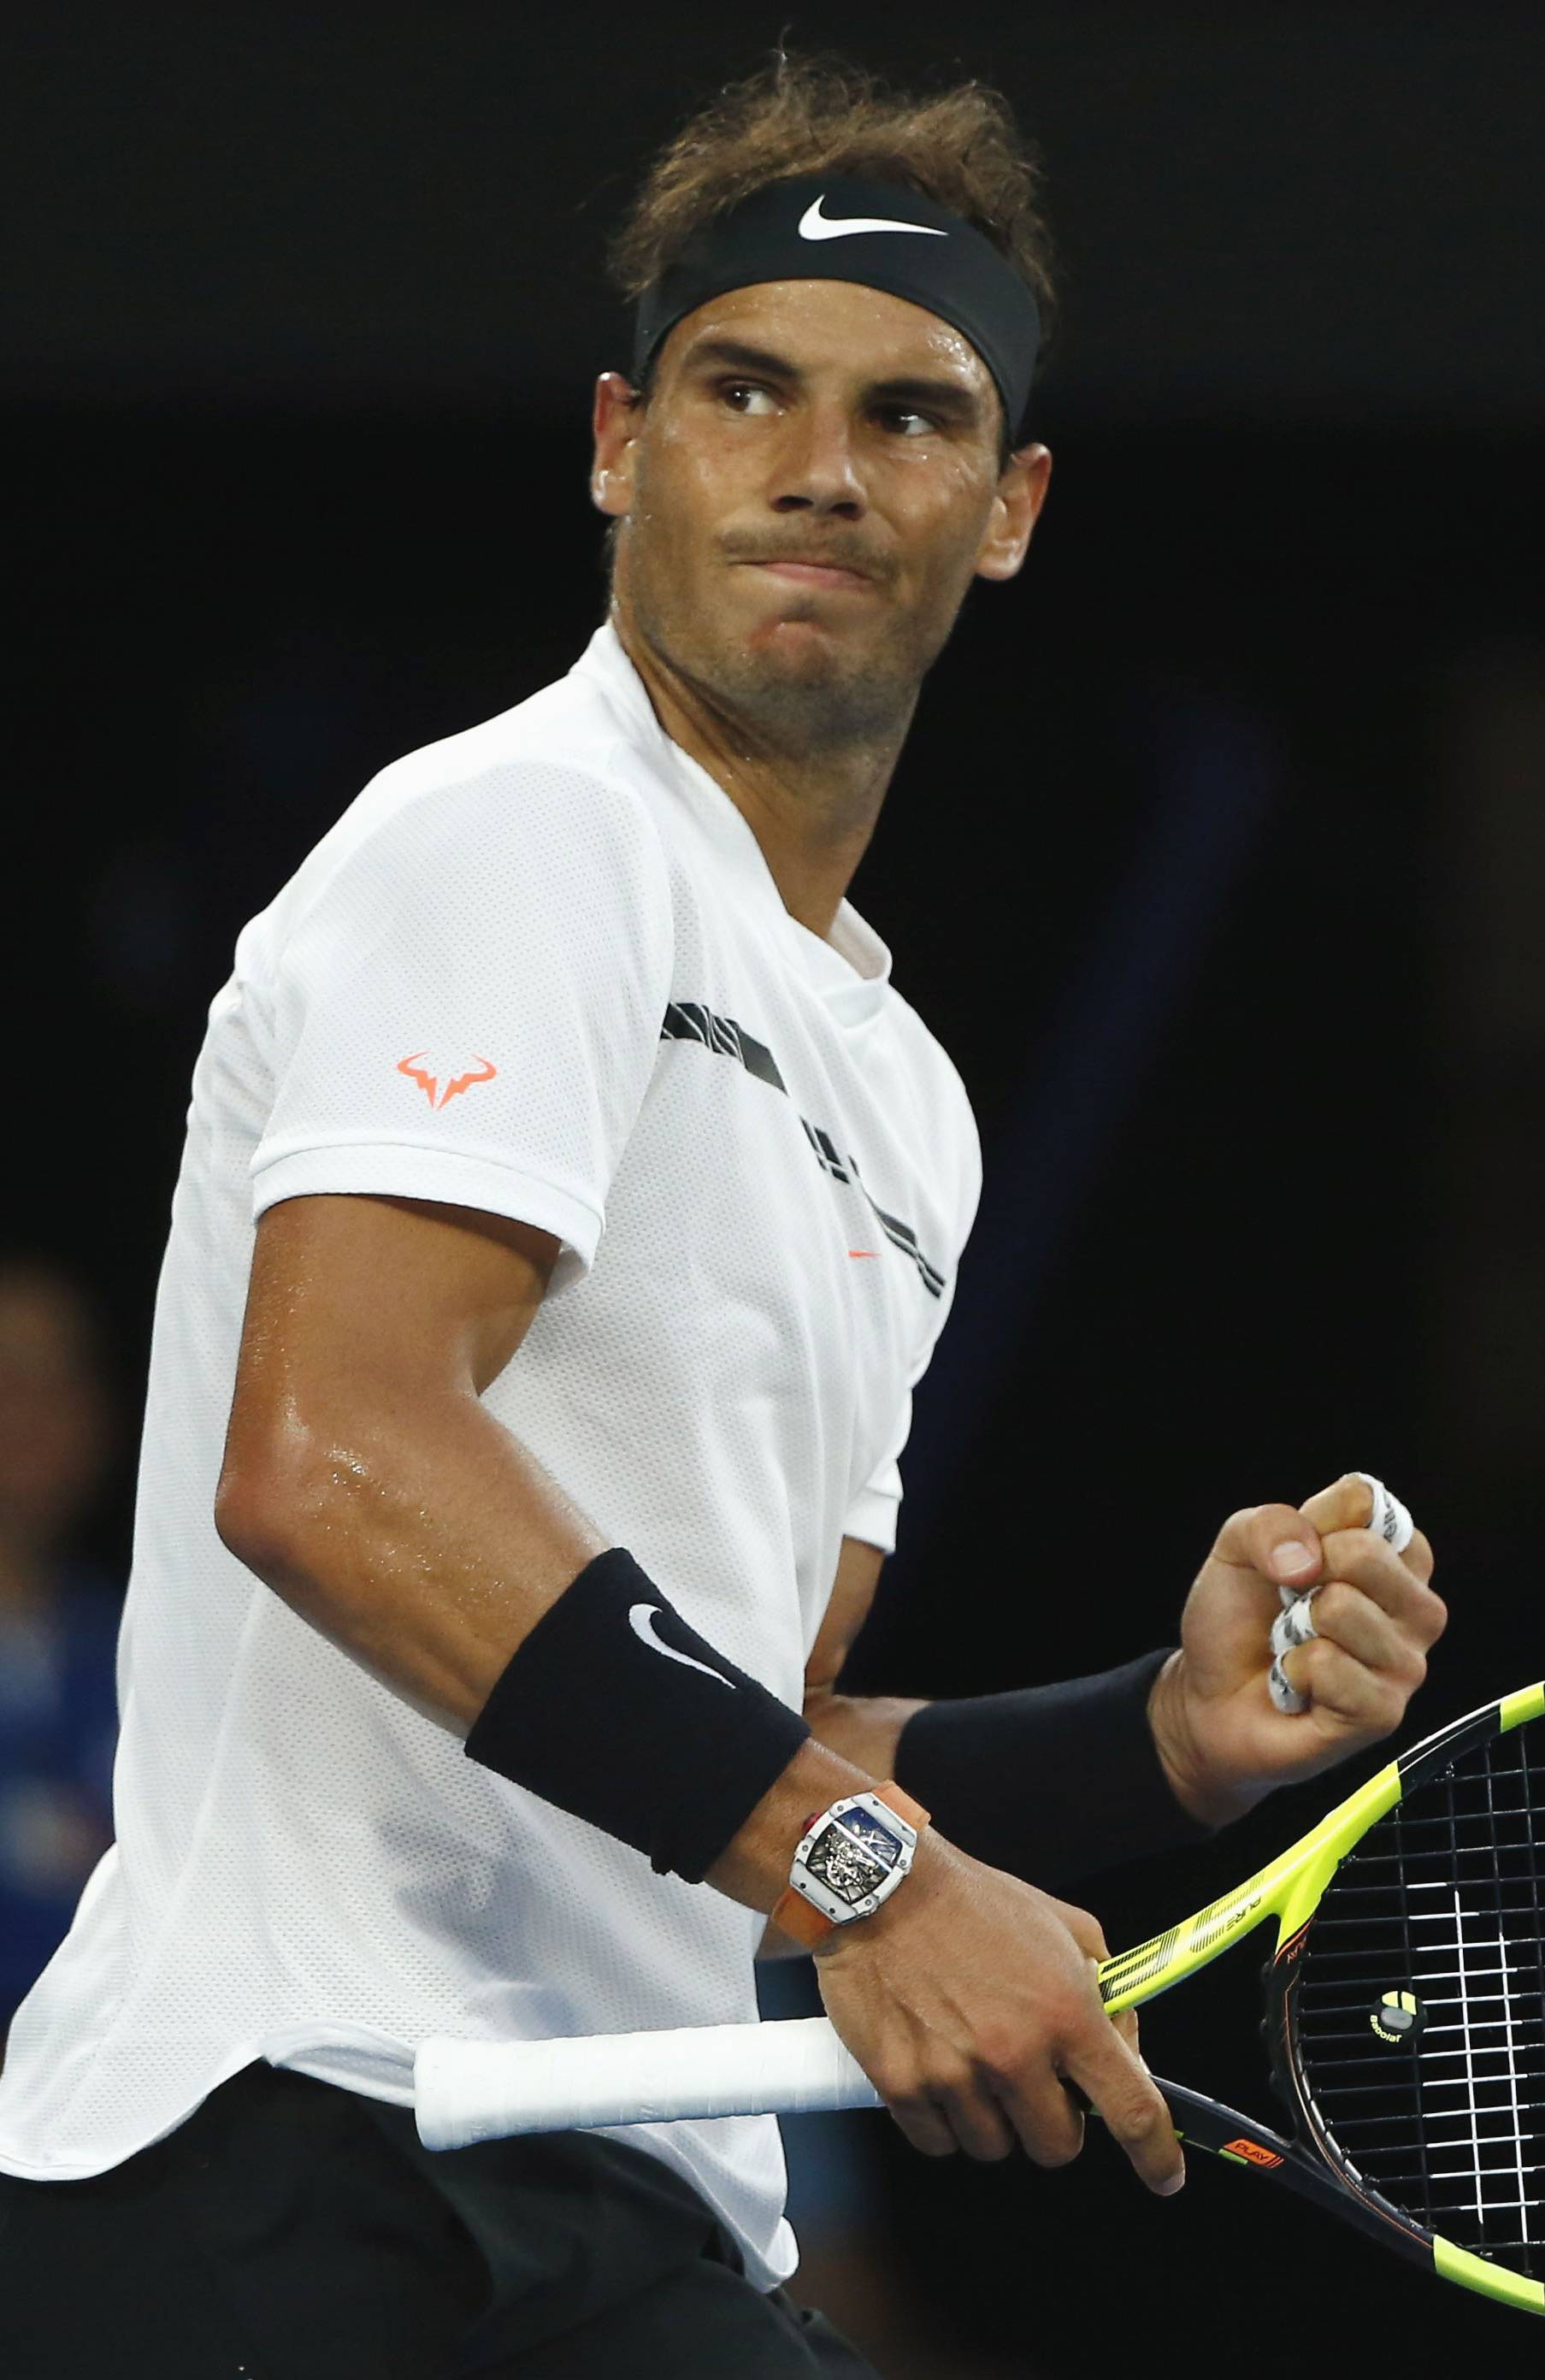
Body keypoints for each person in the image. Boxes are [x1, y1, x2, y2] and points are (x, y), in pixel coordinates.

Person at [0, 54, 1445, 2380]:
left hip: (622, 2185)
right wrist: (866, 1878)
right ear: (617, 442)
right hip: (291, 2154)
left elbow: (734, 1715)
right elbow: (333, 1455)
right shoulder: (517, 835)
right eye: (744, 387)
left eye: (911, 414)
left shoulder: (905, 1095)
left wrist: (1149, 1737)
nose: (821, 467)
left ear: (1009, 505)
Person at [0, 1261, 121, 2051]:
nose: (32, 1414)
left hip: (112, 2109)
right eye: (7, 1380)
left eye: (59, 1382)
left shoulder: (141, 1645)